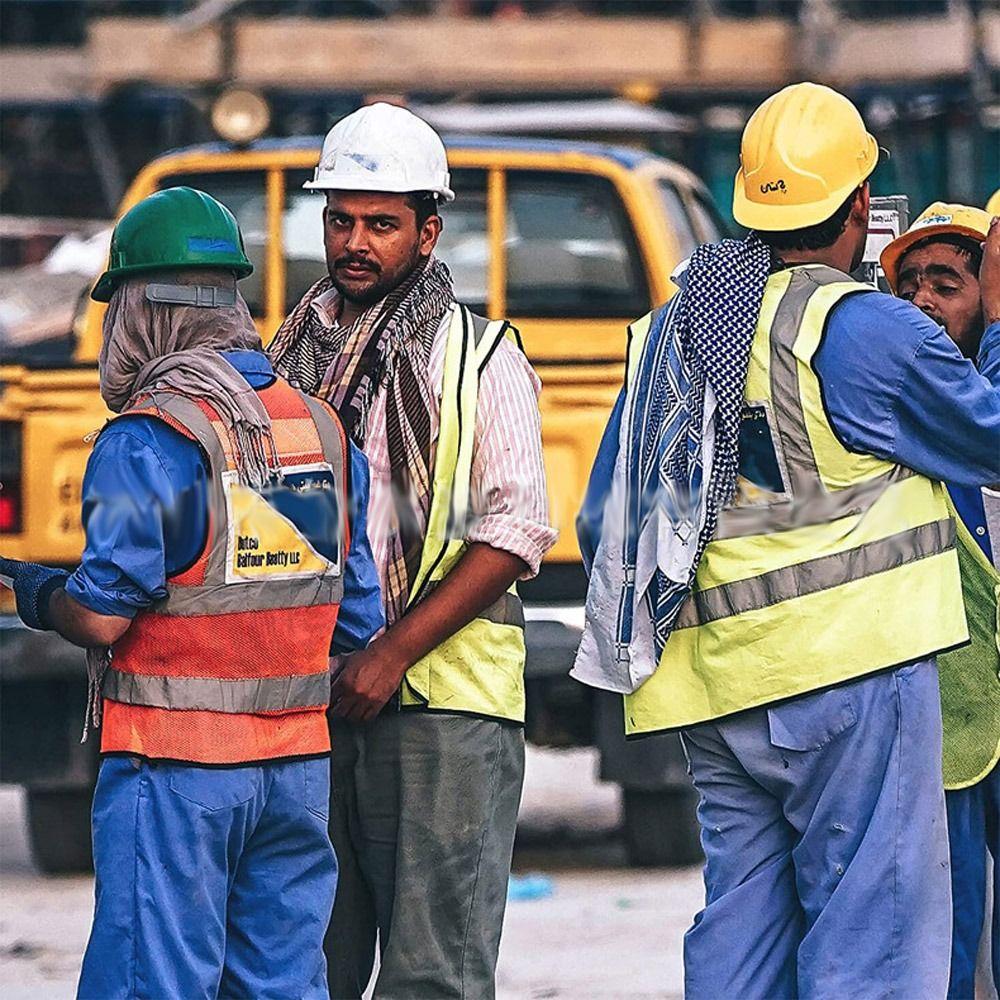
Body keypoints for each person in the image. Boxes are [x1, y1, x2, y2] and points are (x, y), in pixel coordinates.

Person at [573, 81, 1000, 997]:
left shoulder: (674, 333)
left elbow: (605, 519)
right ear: (858, 208)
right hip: (852, 681)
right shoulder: (866, 328)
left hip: (719, 691)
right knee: (871, 943)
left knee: (745, 943)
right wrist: (996, 316)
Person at [0, 187, 383, 1000]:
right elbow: (358, 616)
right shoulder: (315, 428)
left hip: (176, 771)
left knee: (153, 982)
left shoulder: (151, 436)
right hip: (295, 771)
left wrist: (41, 596)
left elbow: (104, 614)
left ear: (139, 310)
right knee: (280, 984)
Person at [268, 103, 556, 999]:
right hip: (312, 701)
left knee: (434, 976)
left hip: (440, 709)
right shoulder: (286, 357)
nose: (357, 242)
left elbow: (513, 531)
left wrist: (389, 654)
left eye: (382, 224)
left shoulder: (478, 356)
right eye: (342, 219)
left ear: (428, 232)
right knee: (309, 969)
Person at [881, 202, 1000, 999]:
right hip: (949, 700)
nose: (926, 300)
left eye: (948, 283)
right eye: (912, 284)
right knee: (944, 917)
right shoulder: (891, 399)